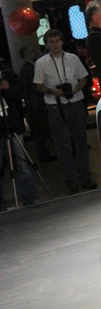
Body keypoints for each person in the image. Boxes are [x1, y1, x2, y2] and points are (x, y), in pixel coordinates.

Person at [33, 29, 97, 194]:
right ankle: (71, 182)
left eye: (57, 41)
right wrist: (52, 91)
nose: (55, 44)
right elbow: (38, 86)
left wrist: (75, 89)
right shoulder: (41, 63)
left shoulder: (73, 58)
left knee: (81, 142)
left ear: (62, 42)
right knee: (63, 146)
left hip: (75, 102)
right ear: (47, 44)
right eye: (51, 42)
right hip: (55, 106)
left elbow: (83, 78)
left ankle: (85, 177)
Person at [0, 62, 41, 209]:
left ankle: (30, 197)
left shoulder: (7, 73)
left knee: (20, 163)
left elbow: (20, 92)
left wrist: (8, 88)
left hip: (12, 123)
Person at [18, 46, 55, 163]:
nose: (33, 53)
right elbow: (30, 87)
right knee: (40, 132)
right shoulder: (28, 69)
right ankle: (44, 155)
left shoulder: (28, 68)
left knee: (41, 132)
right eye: (31, 51)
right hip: (36, 105)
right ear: (25, 55)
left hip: (36, 104)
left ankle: (44, 154)